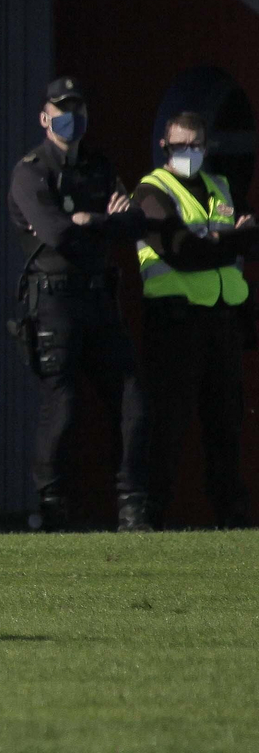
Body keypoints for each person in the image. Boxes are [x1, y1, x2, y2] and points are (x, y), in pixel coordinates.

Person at [7, 77, 152, 531]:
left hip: (98, 297)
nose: (71, 118)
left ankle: (133, 508)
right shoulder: (31, 171)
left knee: (132, 400)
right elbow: (56, 233)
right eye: (62, 108)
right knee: (62, 407)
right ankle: (52, 509)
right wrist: (99, 222)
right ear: (44, 117)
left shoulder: (99, 164)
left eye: (78, 108)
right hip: (54, 301)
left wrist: (95, 219)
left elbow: (136, 224)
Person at [132, 111, 257, 528]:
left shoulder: (219, 186)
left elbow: (251, 238)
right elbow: (182, 251)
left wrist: (218, 241)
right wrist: (229, 240)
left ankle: (232, 516)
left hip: (222, 323)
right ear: (165, 147)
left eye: (197, 144)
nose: (189, 152)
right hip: (175, 324)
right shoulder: (152, 191)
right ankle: (151, 515)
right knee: (168, 424)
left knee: (226, 424)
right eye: (180, 145)